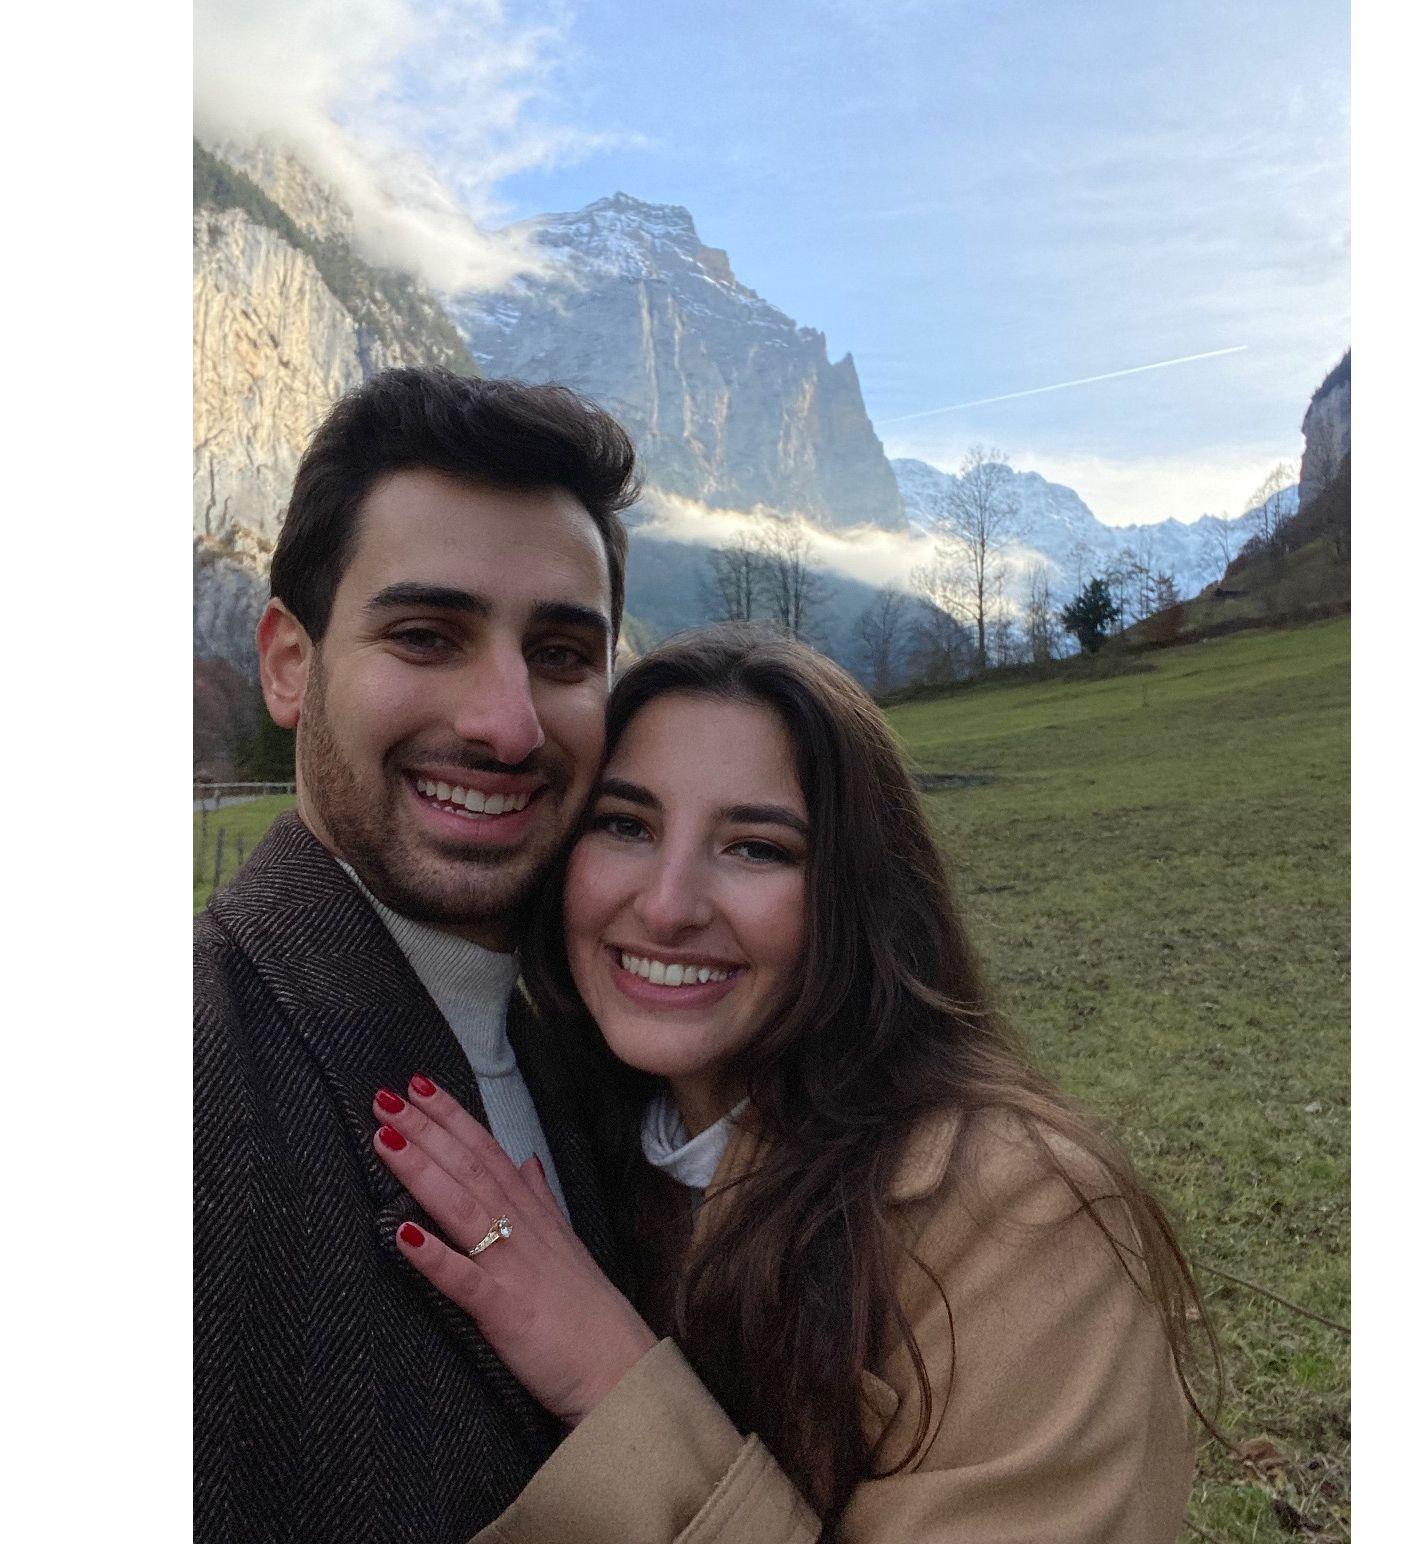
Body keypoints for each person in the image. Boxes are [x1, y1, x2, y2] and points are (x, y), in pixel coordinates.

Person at [368, 627, 1218, 1543]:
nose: (667, 905)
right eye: (626, 826)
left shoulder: (1020, 1216)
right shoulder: (573, 1130)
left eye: (758, 849)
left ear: (855, 896)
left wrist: (604, 1372)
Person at [193, 366, 644, 1544]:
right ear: (290, 664)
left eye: (559, 654)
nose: (506, 722)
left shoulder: (617, 1039)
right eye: (426, 635)